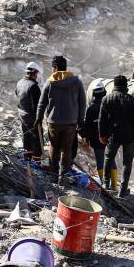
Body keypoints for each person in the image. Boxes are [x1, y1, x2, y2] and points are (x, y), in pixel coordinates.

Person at [36, 55, 86, 185]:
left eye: (53, 67)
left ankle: (53, 175)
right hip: (70, 122)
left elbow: (42, 103)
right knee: (67, 149)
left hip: (54, 122)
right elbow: (82, 103)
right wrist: (81, 120)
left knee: (54, 147)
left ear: (56, 67)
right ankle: (63, 176)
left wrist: (38, 118)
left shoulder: (50, 82)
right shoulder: (77, 82)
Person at [99, 75, 134, 197]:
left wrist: (102, 134)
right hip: (130, 137)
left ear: (114, 85)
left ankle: (105, 185)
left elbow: (102, 120)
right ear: (126, 86)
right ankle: (123, 191)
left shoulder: (106, 99)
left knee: (108, 158)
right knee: (127, 163)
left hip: (113, 135)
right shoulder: (131, 100)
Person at [79, 80, 117, 186]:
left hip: (96, 139)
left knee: (100, 160)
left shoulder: (90, 109)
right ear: (104, 92)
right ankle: (114, 186)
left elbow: (87, 126)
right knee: (111, 160)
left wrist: (85, 137)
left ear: (93, 93)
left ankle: (104, 185)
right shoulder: (110, 105)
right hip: (110, 139)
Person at [16, 62, 42, 160]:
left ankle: (27, 160)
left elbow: (18, 95)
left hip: (22, 116)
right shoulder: (33, 86)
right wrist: (39, 120)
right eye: (36, 73)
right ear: (34, 72)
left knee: (26, 139)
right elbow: (37, 106)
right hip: (32, 118)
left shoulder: (19, 83)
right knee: (37, 141)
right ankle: (36, 162)